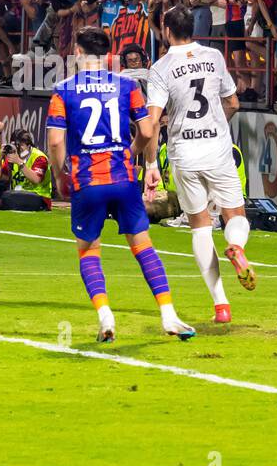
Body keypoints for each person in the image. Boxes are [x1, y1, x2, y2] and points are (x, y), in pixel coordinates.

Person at [46, 26, 196, 343]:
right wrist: (135, 156)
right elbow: (147, 128)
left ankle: (106, 318)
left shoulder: (64, 90)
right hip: (123, 177)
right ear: (110, 55)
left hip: (86, 179)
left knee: (89, 251)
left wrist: (60, 175)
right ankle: (169, 315)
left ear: (78, 53)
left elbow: (56, 141)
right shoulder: (127, 86)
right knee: (142, 246)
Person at [144, 6, 256, 325]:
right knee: (235, 214)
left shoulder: (161, 67)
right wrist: (218, 125)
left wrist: (151, 163)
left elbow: (151, 122)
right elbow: (233, 102)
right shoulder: (214, 56)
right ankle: (235, 247)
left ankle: (221, 305)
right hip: (217, 149)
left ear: (167, 31)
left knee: (200, 224)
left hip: (184, 152)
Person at [0, 128, 54, 212]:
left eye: (21, 146)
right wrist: (0, 157)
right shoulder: (13, 157)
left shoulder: (39, 157)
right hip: (19, 195)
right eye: (16, 145)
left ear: (28, 145)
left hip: (40, 198)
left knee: (7, 197)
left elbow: (36, 179)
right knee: (4, 194)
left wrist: (19, 162)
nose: (18, 149)